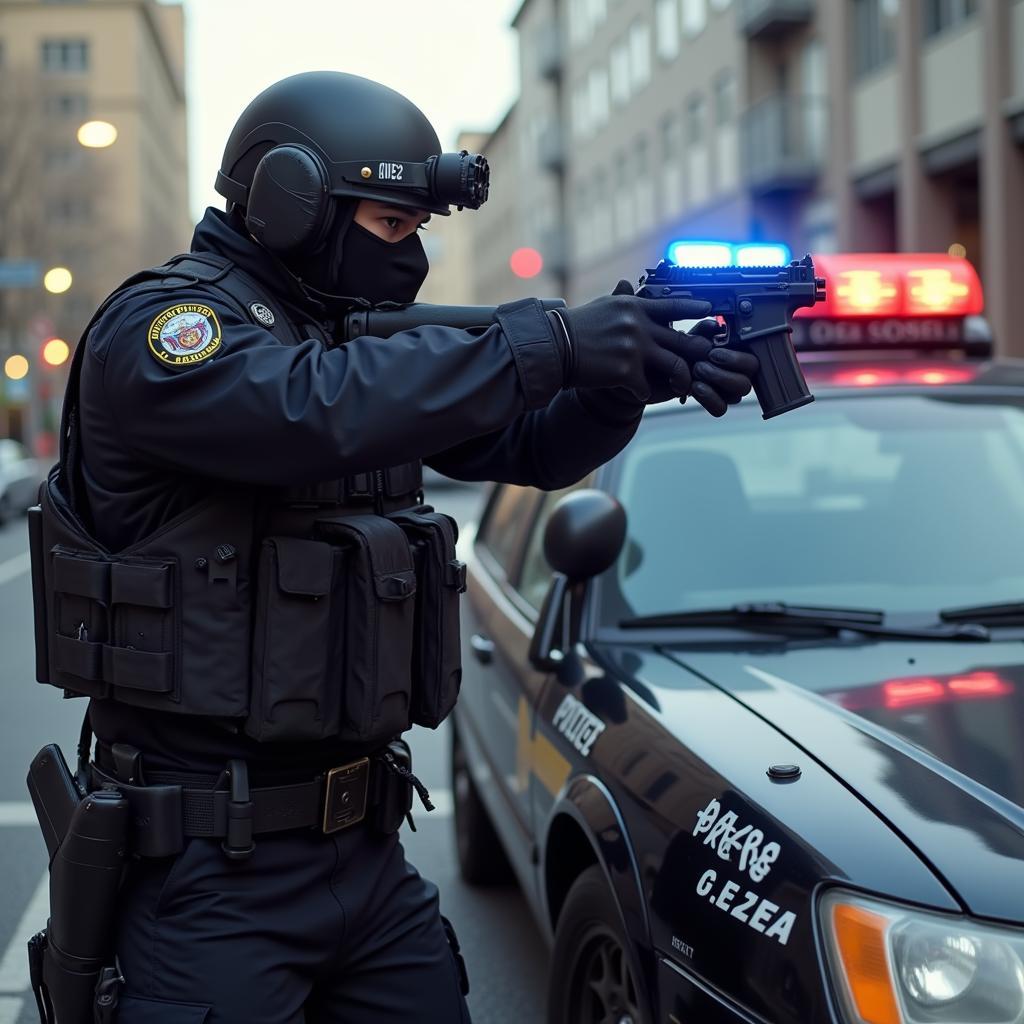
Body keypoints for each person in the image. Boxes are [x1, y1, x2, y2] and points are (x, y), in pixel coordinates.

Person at [35, 71, 758, 1023]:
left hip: (366, 859)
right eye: (391, 227)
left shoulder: (350, 339)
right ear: (295, 207)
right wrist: (550, 343)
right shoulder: (168, 330)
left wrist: (626, 376)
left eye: (420, 230)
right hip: (206, 874)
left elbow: (529, 445)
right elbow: (308, 412)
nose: (412, 257)